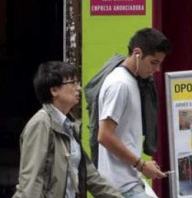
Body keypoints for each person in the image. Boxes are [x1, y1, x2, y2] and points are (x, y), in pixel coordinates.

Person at [13, 61, 122, 198]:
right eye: (73, 83)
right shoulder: (41, 124)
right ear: (54, 90)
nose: (79, 88)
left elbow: (90, 176)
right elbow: (31, 180)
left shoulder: (69, 125)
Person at [97, 28, 172, 197]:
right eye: (153, 62)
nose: (157, 69)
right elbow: (104, 135)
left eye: (160, 63)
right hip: (121, 186)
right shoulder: (120, 84)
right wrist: (141, 165)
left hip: (130, 182)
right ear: (137, 53)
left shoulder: (133, 81)